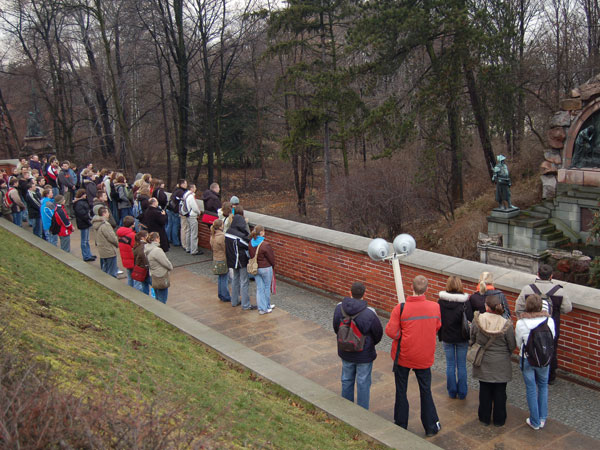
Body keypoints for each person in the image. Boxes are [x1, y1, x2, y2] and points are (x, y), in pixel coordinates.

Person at [385, 275, 442, 437]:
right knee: (426, 391)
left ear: (412, 287)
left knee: (401, 390)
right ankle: (431, 426)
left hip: (404, 356)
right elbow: (437, 326)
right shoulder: (434, 307)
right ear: (427, 289)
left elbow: (391, 332)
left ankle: (401, 423)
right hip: (424, 356)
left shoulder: (400, 308)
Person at [515, 264, 572, 384]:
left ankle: (533, 372)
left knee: (531, 346)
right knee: (551, 348)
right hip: (552, 325)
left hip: (531, 326)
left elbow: (518, 308)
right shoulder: (560, 291)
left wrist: (524, 319)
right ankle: (550, 375)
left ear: (538, 275)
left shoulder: (527, 289)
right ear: (551, 276)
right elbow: (567, 308)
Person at [332, 282, 383, 410]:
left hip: (345, 350)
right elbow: (378, 333)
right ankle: (362, 412)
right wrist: (369, 344)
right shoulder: (370, 313)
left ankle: (346, 408)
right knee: (363, 383)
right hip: (364, 355)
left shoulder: (339, 308)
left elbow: (336, 327)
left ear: (350, 292)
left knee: (346, 379)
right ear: (364, 294)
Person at [470, 295, 516, 427]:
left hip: (483, 360)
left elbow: (472, 338)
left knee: (484, 390)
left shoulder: (477, 320)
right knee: (500, 392)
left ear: (487, 307)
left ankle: (484, 418)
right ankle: (499, 419)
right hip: (501, 363)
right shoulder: (506, 324)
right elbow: (511, 344)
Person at [516, 294, 556, 430]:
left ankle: (534, 420)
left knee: (531, 388)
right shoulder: (549, 321)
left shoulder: (521, 323)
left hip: (527, 358)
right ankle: (542, 417)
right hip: (544, 358)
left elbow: (518, 342)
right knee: (543, 385)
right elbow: (552, 337)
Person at [438, 276, 473, 400]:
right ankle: (462, 392)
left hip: (447, 336)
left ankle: (452, 392)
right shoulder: (465, 302)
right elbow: (470, 318)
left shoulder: (440, 302)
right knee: (462, 365)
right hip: (462, 337)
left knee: (450, 365)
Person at [225, 213, 255, 310]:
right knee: (244, 282)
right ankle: (245, 304)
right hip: (240, 261)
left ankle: (234, 301)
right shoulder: (239, 236)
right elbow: (247, 245)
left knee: (235, 280)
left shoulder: (228, 232)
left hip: (231, 260)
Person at [248, 225, 276, 314]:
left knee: (260, 288)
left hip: (256, 268)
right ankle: (267, 306)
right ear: (261, 232)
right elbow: (271, 258)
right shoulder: (265, 244)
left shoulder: (251, 243)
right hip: (266, 268)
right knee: (267, 287)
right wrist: (273, 265)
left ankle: (261, 308)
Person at [145, 231, 173, 303]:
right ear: (157, 239)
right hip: (161, 275)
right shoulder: (157, 250)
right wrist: (170, 267)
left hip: (153, 274)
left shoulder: (146, 248)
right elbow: (165, 262)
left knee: (157, 296)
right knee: (162, 298)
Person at [92, 206, 119, 277]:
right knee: (112, 272)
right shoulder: (105, 225)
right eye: (108, 212)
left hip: (102, 250)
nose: (109, 214)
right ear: (104, 214)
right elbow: (112, 238)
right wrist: (117, 243)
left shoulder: (96, 223)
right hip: (109, 250)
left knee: (105, 269)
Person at [210, 219, 231, 302]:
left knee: (220, 278)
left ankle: (220, 294)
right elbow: (225, 248)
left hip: (216, 258)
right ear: (220, 227)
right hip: (222, 259)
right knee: (224, 278)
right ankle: (225, 296)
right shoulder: (222, 236)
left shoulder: (212, 235)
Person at [73, 189, 95, 261]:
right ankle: (86, 256)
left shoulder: (82, 202)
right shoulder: (79, 204)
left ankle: (88, 254)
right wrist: (89, 219)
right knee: (84, 241)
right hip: (83, 223)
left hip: (86, 222)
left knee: (86, 240)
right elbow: (82, 214)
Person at [183, 184, 203, 255]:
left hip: (187, 215)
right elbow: (194, 207)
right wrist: (199, 212)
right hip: (192, 216)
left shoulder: (185, 195)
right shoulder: (191, 197)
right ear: (192, 188)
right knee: (194, 233)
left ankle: (187, 247)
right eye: (195, 187)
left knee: (188, 231)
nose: (196, 189)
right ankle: (194, 250)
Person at [117, 216, 136, 287]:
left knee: (130, 277)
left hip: (125, 259)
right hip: (133, 260)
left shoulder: (120, 234)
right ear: (133, 224)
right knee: (137, 279)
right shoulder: (132, 235)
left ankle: (130, 289)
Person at [166, 179, 186, 247]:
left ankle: (168, 238)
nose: (186, 185)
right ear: (182, 184)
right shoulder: (181, 192)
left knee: (170, 224)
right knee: (175, 226)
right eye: (185, 183)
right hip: (175, 210)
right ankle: (176, 241)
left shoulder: (175, 190)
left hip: (170, 209)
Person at [133, 230, 152, 295]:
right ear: (143, 238)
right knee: (154, 285)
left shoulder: (137, 246)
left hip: (141, 269)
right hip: (145, 270)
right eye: (147, 236)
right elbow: (143, 256)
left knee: (144, 286)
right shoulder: (143, 246)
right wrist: (147, 265)